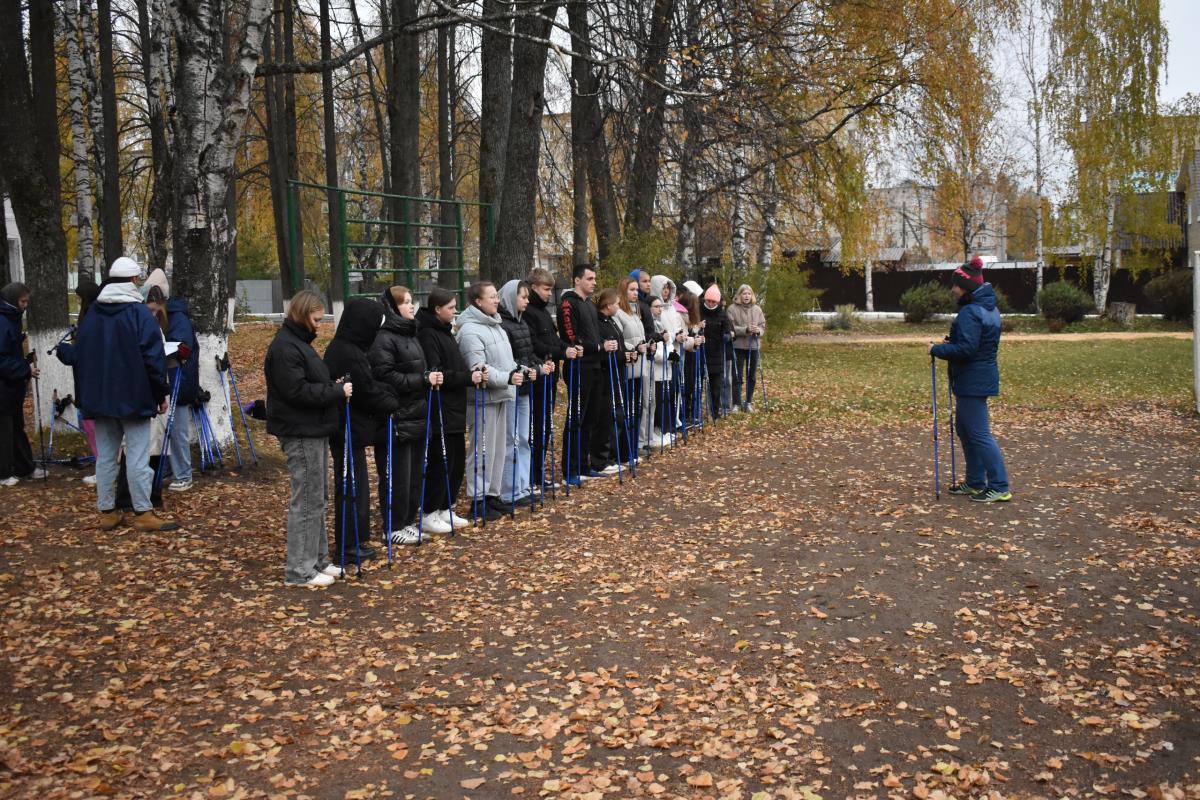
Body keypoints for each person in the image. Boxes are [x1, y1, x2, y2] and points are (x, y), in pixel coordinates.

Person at [75, 257, 177, 531]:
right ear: (133, 281)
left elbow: (81, 357)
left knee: (106, 457)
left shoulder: (93, 314)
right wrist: (160, 393)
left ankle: (107, 511)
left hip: (99, 398)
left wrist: (86, 396)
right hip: (135, 397)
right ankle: (143, 512)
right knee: (137, 456)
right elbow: (153, 359)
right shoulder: (140, 314)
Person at [264, 290, 350, 588]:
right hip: (300, 430)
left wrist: (331, 385)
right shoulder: (286, 348)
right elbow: (296, 392)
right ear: (302, 316)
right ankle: (299, 570)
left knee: (318, 498)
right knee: (308, 500)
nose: (319, 325)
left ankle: (318, 560)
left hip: (313, 428)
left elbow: (308, 383)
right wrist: (336, 392)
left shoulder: (299, 344)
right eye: (316, 319)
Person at [369, 286, 448, 543]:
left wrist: (428, 377)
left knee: (414, 474)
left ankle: (406, 520)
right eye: (406, 302)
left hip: (417, 413)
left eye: (412, 301)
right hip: (397, 416)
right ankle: (392, 525)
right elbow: (385, 375)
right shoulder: (383, 338)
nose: (411, 307)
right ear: (392, 307)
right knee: (398, 476)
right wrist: (421, 379)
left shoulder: (412, 334)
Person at [929, 257, 1011, 503]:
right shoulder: (988, 309)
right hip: (978, 376)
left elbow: (967, 349)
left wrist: (936, 349)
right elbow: (974, 343)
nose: (953, 289)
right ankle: (976, 482)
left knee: (979, 434)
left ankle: (999, 486)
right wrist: (950, 343)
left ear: (967, 287)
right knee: (965, 429)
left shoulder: (970, 312)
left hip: (973, 379)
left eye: (956, 285)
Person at [324, 298, 398, 566]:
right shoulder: (346, 352)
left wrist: (386, 393)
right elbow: (365, 391)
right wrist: (391, 401)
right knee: (352, 488)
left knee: (357, 488)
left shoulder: (351, 348)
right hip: (346, 429)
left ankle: (355, 539)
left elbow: (370, 384)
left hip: (352, 428)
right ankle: (348, 544)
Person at [457, 281, 524, 520]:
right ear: (478, 301)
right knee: (482, 451)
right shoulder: (469, 330)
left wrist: (520, 370)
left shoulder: (496, 325)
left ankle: (493, 495)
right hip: (482, 400)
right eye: (492, 296)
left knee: (497, 450)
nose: (497, 300)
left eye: (497, 296)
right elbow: (479, 367)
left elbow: (505, 360)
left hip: (501, 395)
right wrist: (506, 377)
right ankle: (479, 499)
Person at [416, 289, 479, 532]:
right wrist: (466, 377)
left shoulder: (446, 331)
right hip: (441, 406)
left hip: (455, 405)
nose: (455, 312)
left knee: (455, 460)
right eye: (451, 308)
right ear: (437, 309)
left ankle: (445, 507)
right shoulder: (428, 334)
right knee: (440, 459)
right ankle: (430, 510)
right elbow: (438, 371)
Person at [558, 264, 614, 482]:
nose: (594, 282)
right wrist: (598, 347)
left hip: (595, 366)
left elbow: (595, 334)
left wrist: (603, 345)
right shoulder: (568, 303)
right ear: (577, 280)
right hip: (578, 367)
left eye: (595, 278)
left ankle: (583, 464)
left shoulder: (590, 305)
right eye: (589, 278)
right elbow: (571, 338)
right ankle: (570, 469)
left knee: (591, 418)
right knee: (576, 418)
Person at [498, 280, 551, 507]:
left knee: (523, 438)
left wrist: (541, 364)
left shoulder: (521, 323)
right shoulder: (504, 325)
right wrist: (533, 369)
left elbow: (528, 353)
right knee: (511, 439)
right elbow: (510, 360)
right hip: (513, 387)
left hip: (526, 388)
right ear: (512, 298)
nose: (527, 301)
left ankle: (522, 484)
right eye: (523, 297)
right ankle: (509, 489)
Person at [524, 268, 576, 491]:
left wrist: (567, 348)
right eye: (546, 289)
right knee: (535, 427)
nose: (549, 294)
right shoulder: (528, 313)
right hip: (537, 376)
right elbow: (535, 345)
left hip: (550, 374)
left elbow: (553, 340)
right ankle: (530, 476)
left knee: (545, 426)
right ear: (534, 286)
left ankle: (538, 474)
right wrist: (562, 353)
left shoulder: (544, 312)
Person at [54, 280, 101, 484]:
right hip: (93, 383)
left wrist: (63, 349)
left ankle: (104, 470)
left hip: (90, 385)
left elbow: (80, 355)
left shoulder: (90, 320)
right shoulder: (97, 317)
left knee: (93, 429)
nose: (78, 301)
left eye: (79, 298)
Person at [0, 283, 44, 486]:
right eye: (23, 301)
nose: (25, 305)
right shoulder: (4, 320)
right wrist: (25, 369)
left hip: (11, 385)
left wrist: (24, 362)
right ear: (12, 300)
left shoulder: (11, 318)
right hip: (4, 385)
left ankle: (24, 467)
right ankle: (3, 473)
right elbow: (2, 359)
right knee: (5, 429)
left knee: (17, 427)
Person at [163, 289, 200, 491]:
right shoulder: (171, 318)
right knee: (169, 430)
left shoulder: (177, 319)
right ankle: (173, 470)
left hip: (179, 380)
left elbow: (180, 348)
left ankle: (184, 474)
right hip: (171, 380)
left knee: (177, 430)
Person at [613, 277, 648, 460]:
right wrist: (634, 348)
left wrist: (645, 346)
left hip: (639, 367)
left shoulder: (635, 313)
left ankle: (633, 448)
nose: (636, 293)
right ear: (624, 292)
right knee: (627, 409)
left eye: (636, 290)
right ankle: (623, 452)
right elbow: (619, 341)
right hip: (627, 367)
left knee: (637, 408)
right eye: (632, 290)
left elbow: (639, 336)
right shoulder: (618, 313)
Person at [593, 288, 626, 473]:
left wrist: (627, 354)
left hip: (618, 371)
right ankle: (601, 459)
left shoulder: (611, 321)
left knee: (617, 416)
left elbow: (619, 344)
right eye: (617, 304)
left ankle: (612, 455)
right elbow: (602, 349)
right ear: (608, 305)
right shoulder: (599, 323)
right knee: (605, 417)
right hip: (607, 374)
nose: (619, 307)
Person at [726, 284, 765, 411]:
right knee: (737, 375)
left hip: (753, 346)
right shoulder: (732, 309)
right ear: (739, 295)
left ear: (752, 295)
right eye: (744, 293)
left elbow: (762, 326)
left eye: (749, 293)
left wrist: (757, 330)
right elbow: (730, 328)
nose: (746, 296)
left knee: (751, 375)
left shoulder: (757, 309)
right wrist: (745, 330)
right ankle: (736, 403)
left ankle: (748, 402)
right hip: (738, 345)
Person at [700, 284, 732, 419]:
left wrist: (728, 335)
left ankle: (715, 411)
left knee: (716, 385)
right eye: (709, 301)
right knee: (699, 384)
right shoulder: (699, 311)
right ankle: (697, 412)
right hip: (701, 352)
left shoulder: (722, 314)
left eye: (714, 302)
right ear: (705, 300)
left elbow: (729, 330)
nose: (711, 304)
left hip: (717, 353)